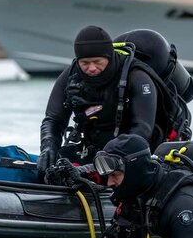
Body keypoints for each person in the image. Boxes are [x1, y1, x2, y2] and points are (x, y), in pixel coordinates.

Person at [49, 134, 193, 238]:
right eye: (109, 177)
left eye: (115, 176)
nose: (111, 183)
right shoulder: (134, 197)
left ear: (134, 172)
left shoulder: (184, 208)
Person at [37, 25, 158, 173]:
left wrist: (107, 163)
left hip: (135, 154)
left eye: (97, 62)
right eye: (85, 63)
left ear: (109, 57)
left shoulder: (137, 76)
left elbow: (143, 129)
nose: (92, 68)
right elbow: (53, 119)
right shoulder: (72, 75)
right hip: (93, 152)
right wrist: (48, 147)